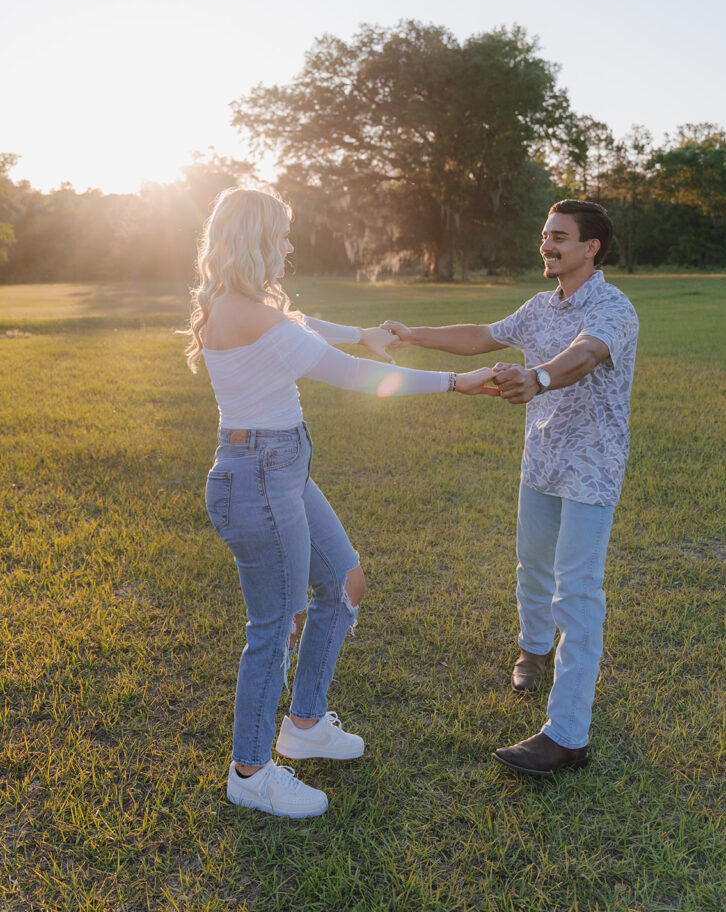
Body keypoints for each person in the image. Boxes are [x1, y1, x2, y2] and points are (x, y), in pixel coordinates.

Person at [186, 187, 498, 818]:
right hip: (259, 477)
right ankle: (249, 771)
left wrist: (363, 332)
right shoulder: (249, 313)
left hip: (282, 468)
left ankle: (303, 725)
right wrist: (457, 381)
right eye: (282, 234)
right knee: (275, 628)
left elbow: (304, 327)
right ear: (255, 239)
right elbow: (350, 376)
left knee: (345, 582)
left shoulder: (246, 302)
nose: (290, 245)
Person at [383, 199, 639, 779]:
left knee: (577, 591)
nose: (546, 245)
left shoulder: (613, 307)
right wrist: (412, 332)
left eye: (559, 237)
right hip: (542, 461)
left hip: (592, 467)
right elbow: (483, 335)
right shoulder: (539, 306)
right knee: (531, 567)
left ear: (590, 247)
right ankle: (533, 648)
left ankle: (568, 736)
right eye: (544, 235)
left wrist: (539, 376)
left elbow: (587, 355)